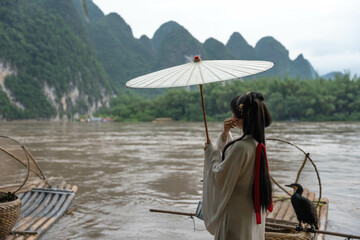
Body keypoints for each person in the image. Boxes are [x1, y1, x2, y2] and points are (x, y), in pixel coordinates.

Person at [202, 92, 273, 240]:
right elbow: (230, 158)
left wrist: (210, 152)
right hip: (251, 210)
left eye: (233, 112)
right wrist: (225, 133)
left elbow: (219, 175)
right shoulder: (255, 143)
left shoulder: (241, 147)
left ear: (239, 118)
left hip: (236, 214)